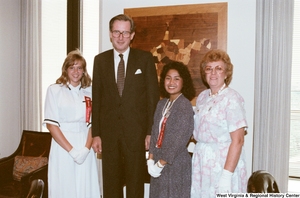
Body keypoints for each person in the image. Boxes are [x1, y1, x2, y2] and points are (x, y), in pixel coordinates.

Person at [91, 14, 160, 198]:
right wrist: (96, 134)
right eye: (116, 32)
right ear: (110, 34)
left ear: (132, 35)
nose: (120, 37)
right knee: (111, 187)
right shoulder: (100, 61)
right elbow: (96, 100)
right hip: (109, 136)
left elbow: (152, 99)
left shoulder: (145, 59)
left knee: (135, 186)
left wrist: (150, 132)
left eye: (125, 32)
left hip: (136, 136)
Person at [43, 49, 100, 198]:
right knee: (64, 186)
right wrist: (72, 151)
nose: (76, 71)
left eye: (79, 67)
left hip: (84, 145)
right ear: (66, 69)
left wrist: (86, 150)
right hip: (63, 146)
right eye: (72, 67)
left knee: (85, 187)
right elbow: (51, 125)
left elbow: (92, 124)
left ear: (84, 71)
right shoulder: (54, 90)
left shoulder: (90, 92)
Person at [191, 49, 248, 197]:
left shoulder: (232, 99)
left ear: (226, 73)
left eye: (219, 68)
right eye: (209, 69)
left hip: (223, 163)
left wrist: (226, 175)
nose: (213, 73)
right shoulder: (202, 97)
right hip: (202, 163)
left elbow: (238, 140)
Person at [147, 61, 195, 198]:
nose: (171, 82)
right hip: (158, 160)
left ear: (183, 82)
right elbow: (154, 132)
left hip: (176, 164)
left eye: (176, 78)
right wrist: (150, 159)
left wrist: (160, 164)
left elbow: (179, 140)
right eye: (168, 78)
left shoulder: (184, 106)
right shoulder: (162, 103)